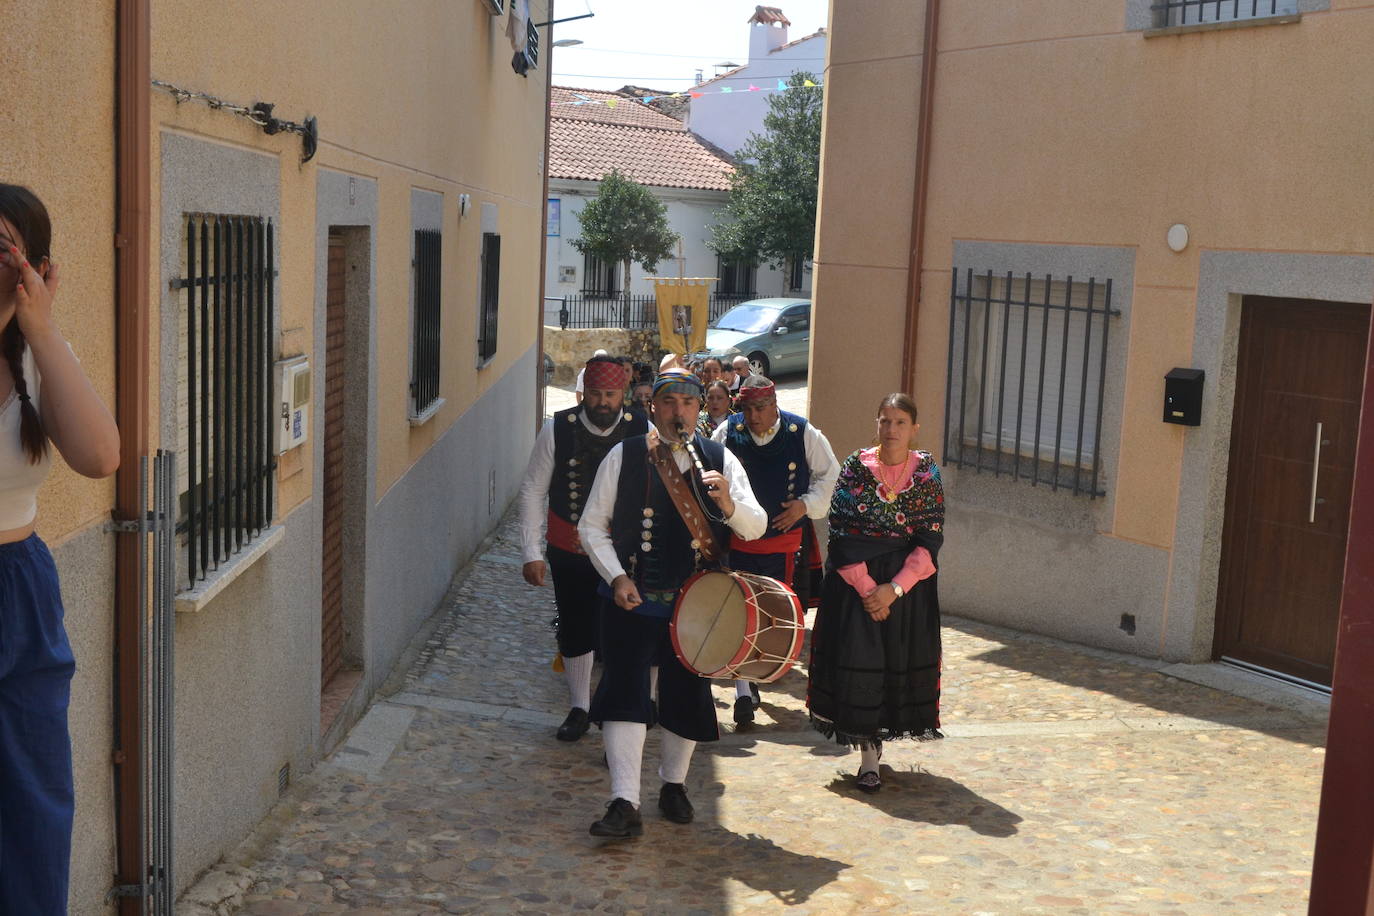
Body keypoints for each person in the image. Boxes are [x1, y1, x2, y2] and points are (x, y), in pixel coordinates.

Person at [577, 369, 766, 839]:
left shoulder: (721, 461)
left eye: (687, 402)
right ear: (652, 407)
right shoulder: (624, 456)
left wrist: (729, 507)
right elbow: (590, 527)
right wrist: (616, 576)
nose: (678, 410)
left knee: (685, 694)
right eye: (669, 401)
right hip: (632, 599)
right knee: (624, 692)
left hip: (697, 605)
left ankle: (674, 786)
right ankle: (624, 800)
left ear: (699, 410)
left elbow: (756, 526)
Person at [0, 184, 121, 912]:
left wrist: (38, 327)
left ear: (38, 267)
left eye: (3, 251)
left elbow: (101, 455)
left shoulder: (42, 360)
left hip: (20, 587)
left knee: (34, 809)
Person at [807, 393, 944, 794]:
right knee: (861, 666)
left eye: (900, 422)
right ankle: (868, 759)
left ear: (914, 428)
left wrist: (894, 589)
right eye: (885, 421)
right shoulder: (855, 468)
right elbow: (842, 534)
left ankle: (878, 748)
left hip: (905, 589)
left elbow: (929, 538)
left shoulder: (926, 474)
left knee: (892, 669)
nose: (891, 430)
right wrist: (870, 590)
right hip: (856, 587)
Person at [519, 355, 648, 741]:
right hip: (570, 549)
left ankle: (620, 708)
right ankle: (579, 706)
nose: (603, 402)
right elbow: (532, 490)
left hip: (624, 554)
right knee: (576, 627)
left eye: (610, 394)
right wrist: (531, 552)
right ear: (583, 393)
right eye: (595, 394)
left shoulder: (642, 427)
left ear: (622, 392)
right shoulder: (557, 428)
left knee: (623, 630)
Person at [713, 376, 839, 725]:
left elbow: (831, 477)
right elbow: (707, 471)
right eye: (747, 408)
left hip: (785, 546)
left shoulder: (802, 433)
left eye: (760, 408)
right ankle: (743, 689)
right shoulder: (728, 432)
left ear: (774, 404)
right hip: (737, 540)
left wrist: (804, 505)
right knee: (738, 612)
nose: (752, 416)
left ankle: (759, 674)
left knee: (773, 615)